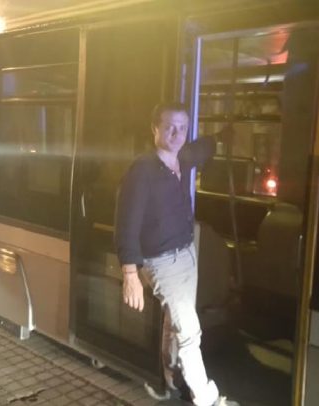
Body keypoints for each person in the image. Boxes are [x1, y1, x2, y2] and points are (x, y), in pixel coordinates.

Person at [114, 102, 237, 406]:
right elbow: (126, 224)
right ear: (154, 128)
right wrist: (130, 274)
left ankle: (169, 382)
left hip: (185, 255)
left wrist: (221, 136)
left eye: (182, 128)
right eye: (169, 126)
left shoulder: (182, 157)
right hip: (163, 262)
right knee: (189, 331)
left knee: (174, 324)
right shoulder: (142, 170)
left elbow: (202, 148)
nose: (176, 133)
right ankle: (207, 398)